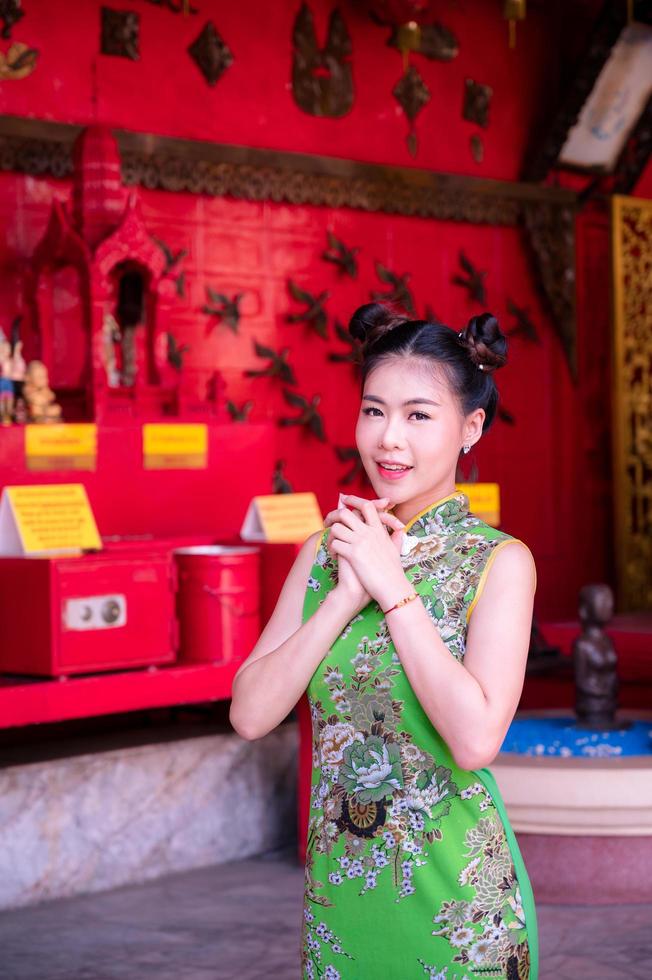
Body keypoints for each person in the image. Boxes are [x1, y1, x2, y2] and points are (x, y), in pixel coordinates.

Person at [230, 302, 539, 979]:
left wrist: (392, 586)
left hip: (458, 903)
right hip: (340, 907)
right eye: (374, 411)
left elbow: (475, 739)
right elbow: (251, 714)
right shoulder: (325, 554)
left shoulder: (500, 561)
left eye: (419, 415)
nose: (389, 438)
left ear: (471, 428)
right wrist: (346, 592)